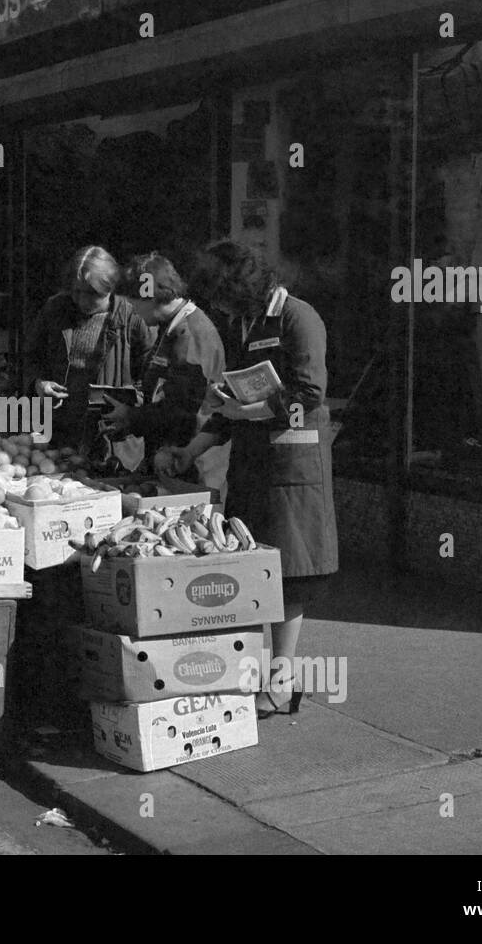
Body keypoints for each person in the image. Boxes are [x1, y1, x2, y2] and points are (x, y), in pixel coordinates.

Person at [162, 239, 338, 719]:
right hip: (254, 462)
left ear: (244, 288)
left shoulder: (299, 318)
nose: (219, 307)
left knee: (288, 577)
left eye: (224, 297)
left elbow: (309, 395)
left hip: (292, 466)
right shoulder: (246, 322)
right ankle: (265, 675)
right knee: (254, 573)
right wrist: (192, 449)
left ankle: (282, 679)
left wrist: (247, 409)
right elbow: (229, 410)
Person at [99, 252, 226, 460]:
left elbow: (183, 410)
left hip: (189, 461)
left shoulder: (190, 334)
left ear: (149, 296)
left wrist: (132, 417)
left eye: (134, 303)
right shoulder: (169, 328)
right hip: (168, 454)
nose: (133, 312)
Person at [24, 246, 151, 449]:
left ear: (109, 287)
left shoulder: (132, 318)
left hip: (110, 438)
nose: (83, 300)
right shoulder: (56, 309)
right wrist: (38, 383)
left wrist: (130, 410)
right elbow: (30, 357)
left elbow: (149, 377)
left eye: (92, 294)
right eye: (76, 292)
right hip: (56, 430)